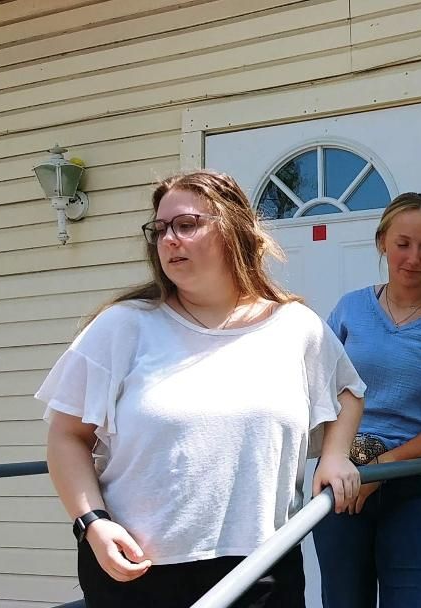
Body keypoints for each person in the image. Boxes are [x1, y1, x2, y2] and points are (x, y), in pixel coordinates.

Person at [39, 170, 366, 608]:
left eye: (187, 224)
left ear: (234, 229)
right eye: (160, 229)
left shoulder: (295, 328)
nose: (169, 239)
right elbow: (66, 436)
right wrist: (92, 523)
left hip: (262, 569)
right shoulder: (123, 326)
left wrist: (335, 454)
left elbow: (348, 391)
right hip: (136, 572)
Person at [311, 193, 421, 608]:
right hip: (341, 484)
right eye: (402, 244)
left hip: (414, 489)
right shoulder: (350, 309)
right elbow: (315, 390)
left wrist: (381, 470)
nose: (413, 257)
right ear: (382, 243)